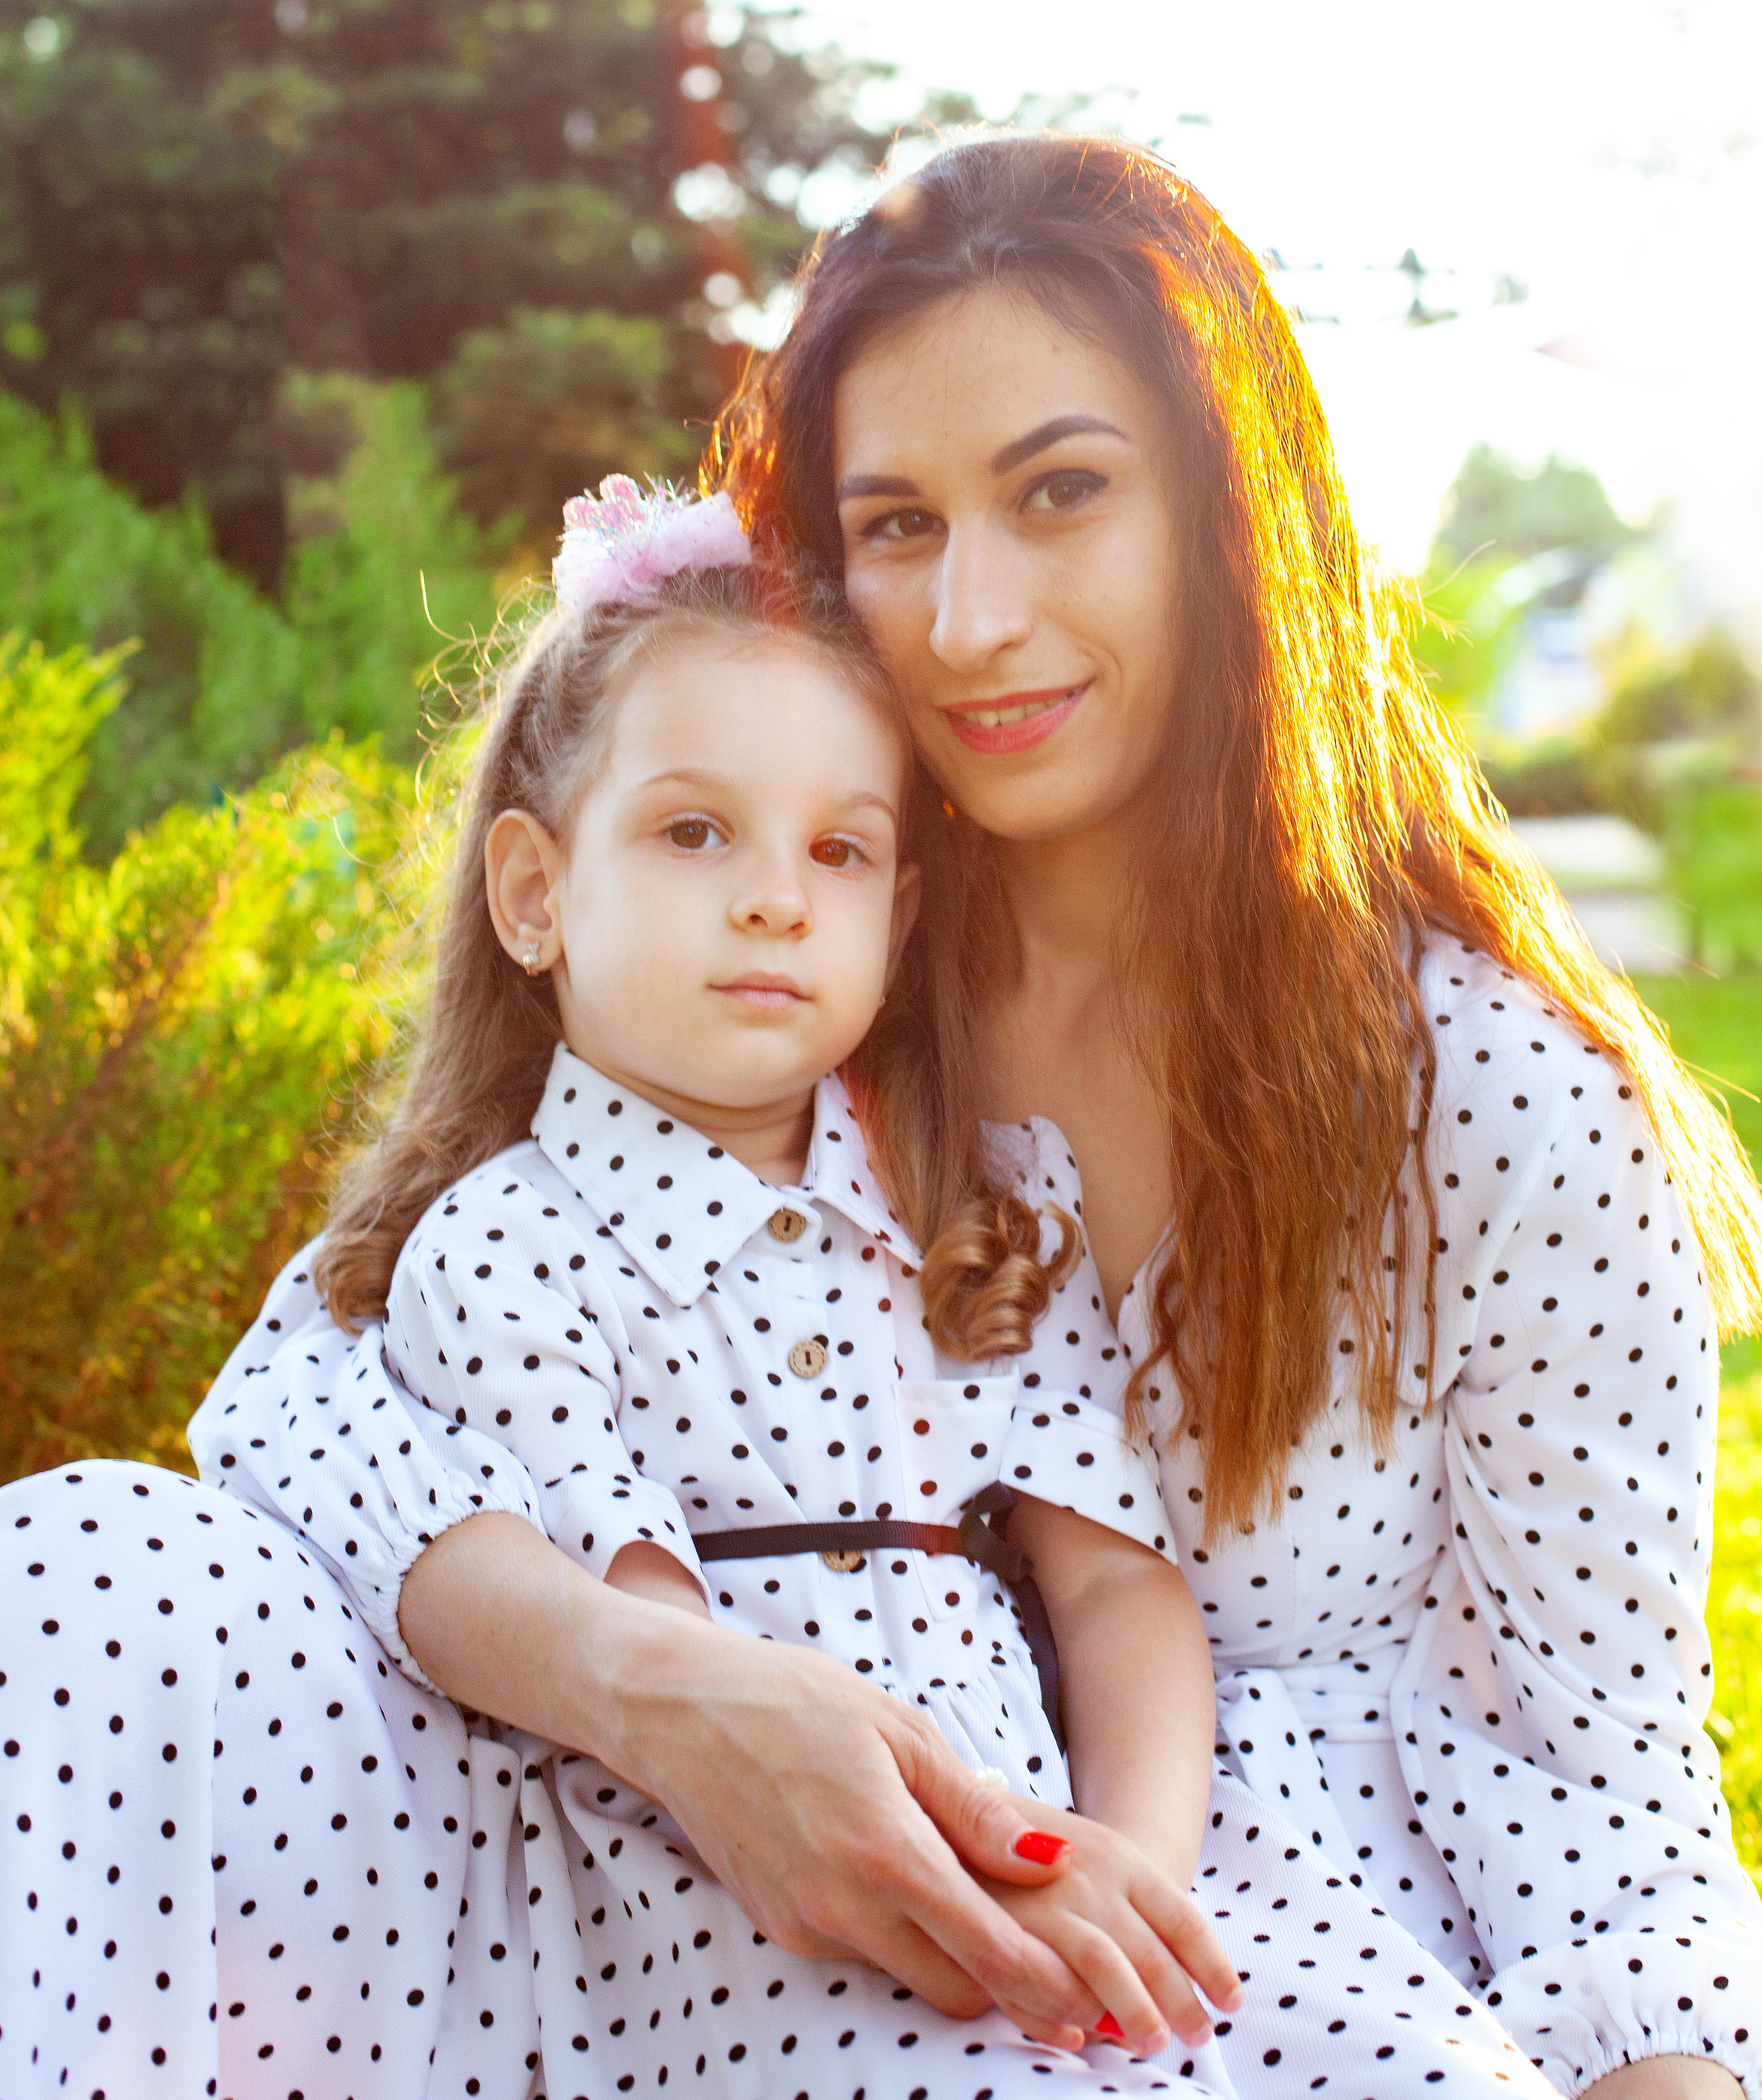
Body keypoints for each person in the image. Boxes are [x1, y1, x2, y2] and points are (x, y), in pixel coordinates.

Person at [5, 132, 1762, 2100]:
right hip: (624, 1886)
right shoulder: (794, 985)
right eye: (894, 525)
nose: (967, 620)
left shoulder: (1500, 1103)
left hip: (1192, 1947)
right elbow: (301, 1399)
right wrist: (667, 1693)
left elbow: (1603, 1774)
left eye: (1061, 493)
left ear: (1233, 518)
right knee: (97, 1567)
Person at [4, 481, 1269, 2095]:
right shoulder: (503, 1244)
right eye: (693, 831)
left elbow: (1111, 1584)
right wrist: (950, 1872)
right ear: (534, 892)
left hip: (1024, 1872)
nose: (772, 895)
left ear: (899, 904)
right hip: (714, 1909)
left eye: (840, 847)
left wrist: (1122, 1872)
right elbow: (657, 1641)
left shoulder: (980, 1216)